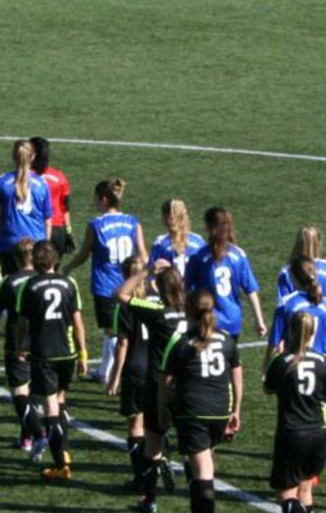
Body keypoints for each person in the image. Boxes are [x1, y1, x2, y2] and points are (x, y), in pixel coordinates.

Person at [161, 289, 243, 513]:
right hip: (220, 410)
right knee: (201, 465)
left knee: (202, 472)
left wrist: (163, 409)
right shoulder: (228, 340)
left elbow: (166, 381)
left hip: (193, 411)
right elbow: (237, 379)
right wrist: (236, 411)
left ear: (189, 311)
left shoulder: (182, 341)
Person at [263, 311, 326, 513]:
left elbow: (268, 389)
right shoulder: (325, 363)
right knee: (305, 488)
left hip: (292, 433)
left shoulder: (282, 361)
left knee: (285, 494)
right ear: (313, 333)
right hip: (319, 433)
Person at [114, 262, 187, 513]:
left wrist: (144, 272)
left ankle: (149, 498)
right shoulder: (192, 311)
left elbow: (121, 295)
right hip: (188, 386)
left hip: (158, 383)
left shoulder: (156, 310)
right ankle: (197, 512)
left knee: (152, 443)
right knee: (195, 449)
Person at [63, 178, 146, 386]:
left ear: (103, 199)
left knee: (112, 331)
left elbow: (84, 254)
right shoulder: (132, 222)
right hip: (130, 286)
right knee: (124, 329)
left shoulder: (97, 224)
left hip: (106, 286)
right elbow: (143, 255)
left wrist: (69, 267)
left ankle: (107, 374)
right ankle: (106, 370)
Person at [21, 243, 88, 480]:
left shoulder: (31, 286)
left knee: (50, 406)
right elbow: (78, 323)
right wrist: (83, 354)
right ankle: (66, 450)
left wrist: (22, 346)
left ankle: (61, 464)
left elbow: (24, 322)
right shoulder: (69, 284)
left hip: (44, 353)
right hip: (67, 352)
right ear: (55, 260)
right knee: (60, 401)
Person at [183, 206, 265, 360]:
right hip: (233, 320)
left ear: (208, 228)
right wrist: (259, 320)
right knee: (229, 362)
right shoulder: (238, 255)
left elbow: (186, 290)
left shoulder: (198, 257)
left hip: (207, 319)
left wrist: (187, 319)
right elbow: (250, 290)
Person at [0, 238, 40, 451]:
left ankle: (37, 434)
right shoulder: (44, 278)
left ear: (16, 258)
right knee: (34, 392)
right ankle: (26, 438)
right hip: (42, 341)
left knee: (19, 394)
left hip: (17, 342)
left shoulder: (9, 281)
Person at [0, 139, 53, 274]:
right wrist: (45, 246)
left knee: (10, 289)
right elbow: (47, 221)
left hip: (8, 243)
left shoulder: (1, 182)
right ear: (33, 157)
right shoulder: (42, 184)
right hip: (35, 244)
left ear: (13, 156)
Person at [266, 256, 326, 362]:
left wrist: (266, 367)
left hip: (294, 364)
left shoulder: (287, 303)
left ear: (293, 278)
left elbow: (275, 343)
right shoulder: (325, 304)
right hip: (320, 365)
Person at [274, 225, 326, 329]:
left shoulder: (287, 272)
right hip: (323, 333)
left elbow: (283, 309)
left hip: (296, 334)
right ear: (318, 243)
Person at [33, 138, 74, 256]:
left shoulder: (24, 178)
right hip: (57, 230)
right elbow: (65, 207)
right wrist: (68, 232)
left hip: (36, 228)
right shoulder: (59, 176)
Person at [149, 198, 206, 281]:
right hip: (193, 292)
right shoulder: (199, 241)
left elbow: (151, 277)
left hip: (170, 292)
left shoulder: (161, 243)